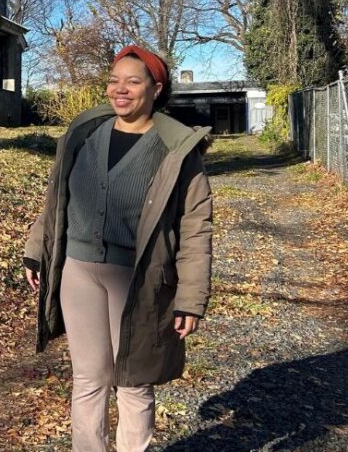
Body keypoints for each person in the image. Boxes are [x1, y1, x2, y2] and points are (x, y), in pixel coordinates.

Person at [22, 46, 213, 452]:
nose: (119, 89)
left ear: (155, 88)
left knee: (133, 380)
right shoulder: (85, 133)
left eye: (132, 81)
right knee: (89, 379)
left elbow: (196, 228)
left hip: (138, 279)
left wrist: (190, 300)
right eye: (113, 80)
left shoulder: (177, 149)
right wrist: (37, 249)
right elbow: (57, 197)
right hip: (79, 270)